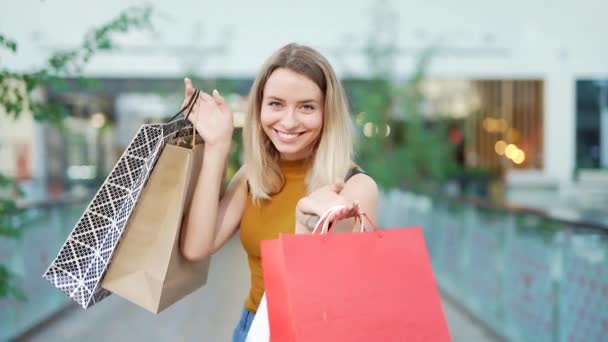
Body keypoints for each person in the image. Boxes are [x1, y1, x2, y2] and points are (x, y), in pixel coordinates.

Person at [179, 43, 379, 341]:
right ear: (259, 107)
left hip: (312, 333)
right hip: (252, 327)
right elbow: (196, 248)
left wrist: (305, 226)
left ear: (328, 113)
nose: (288, 121)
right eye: (276, 104)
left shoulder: (354, 187)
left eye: (307, 107)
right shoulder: (253, 176)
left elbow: (326, 297)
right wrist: (218, 145)